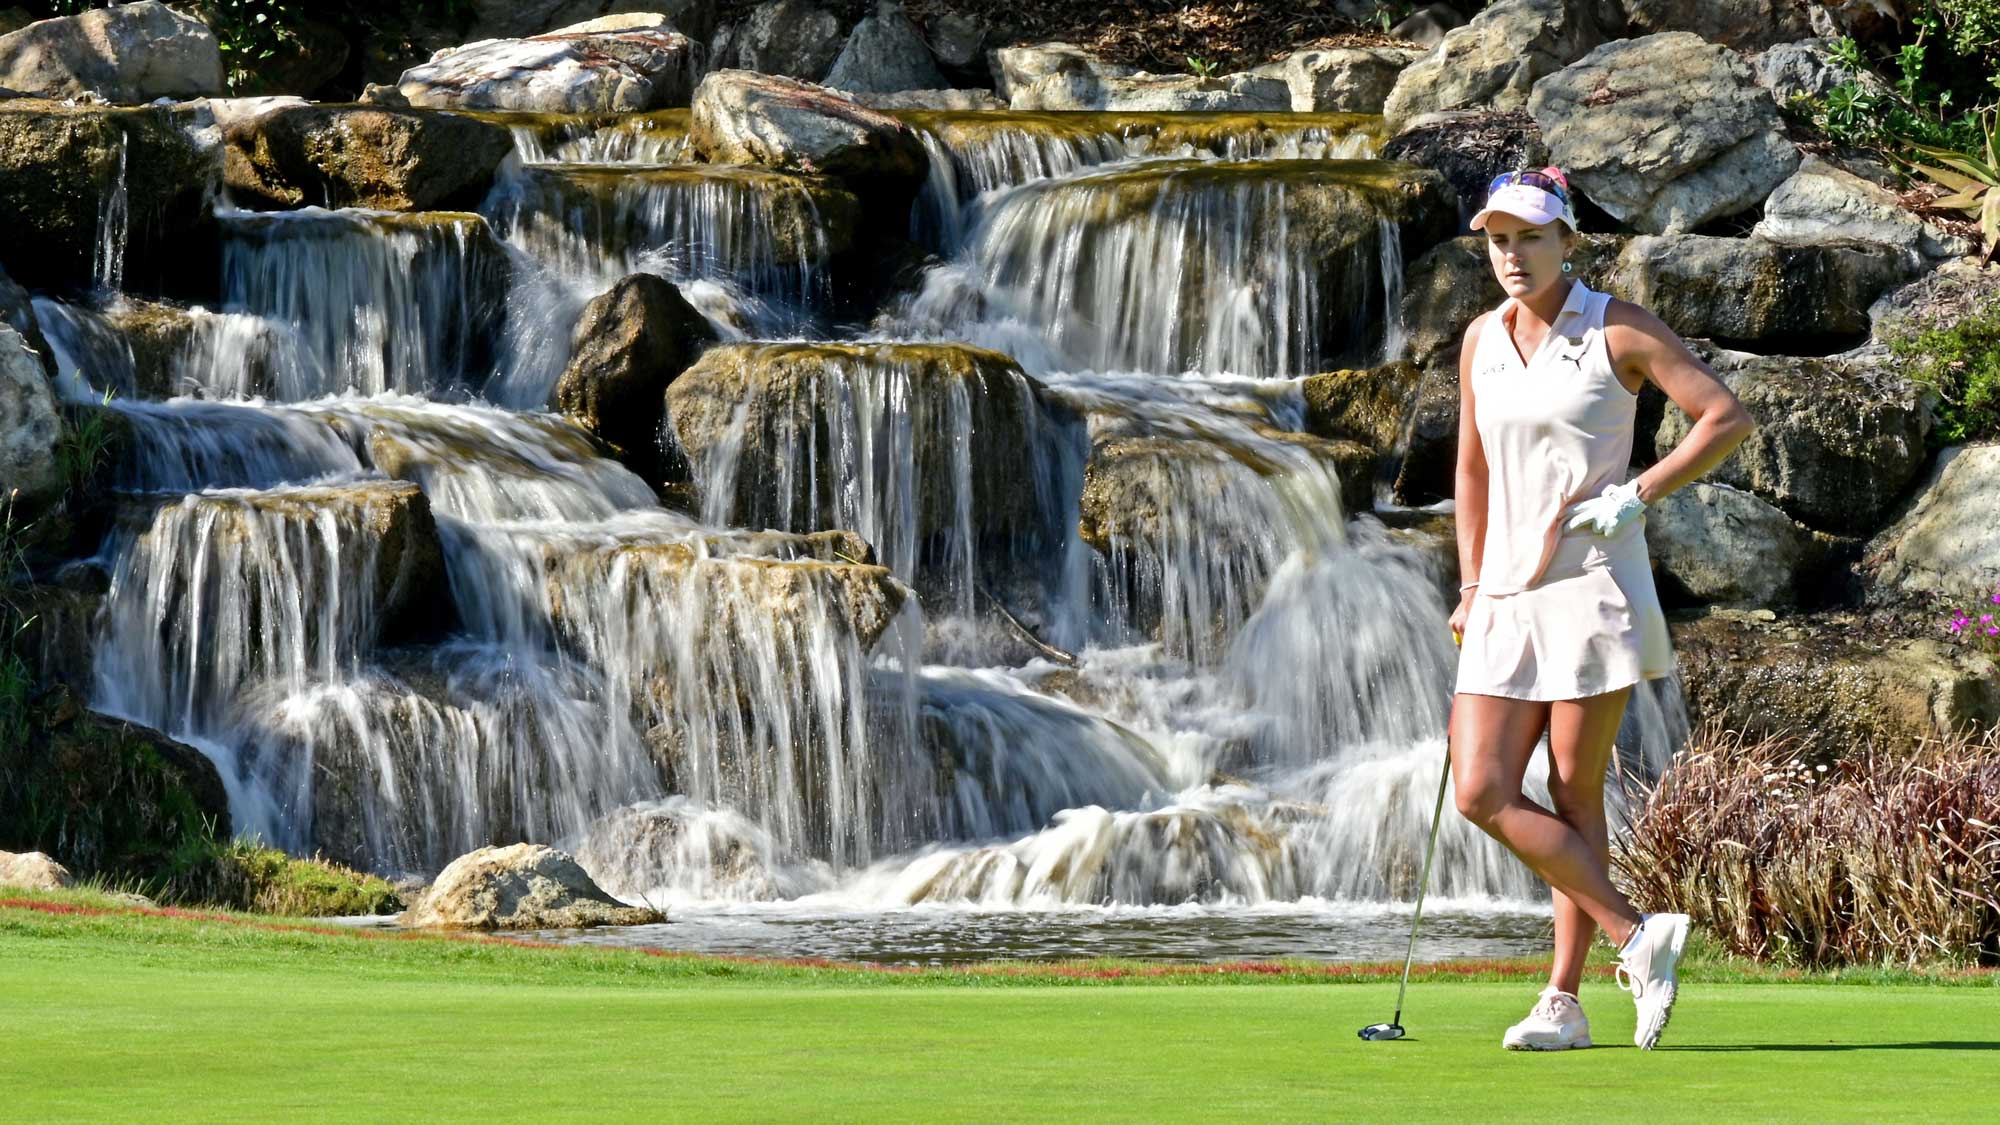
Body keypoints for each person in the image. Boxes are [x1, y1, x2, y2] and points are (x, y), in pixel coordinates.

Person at [1446, 167, 1755, 1051]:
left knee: (1574, 793)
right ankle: (1636, 935)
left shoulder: (1615, 326)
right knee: (1481, 788)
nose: (1512, 254)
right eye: (1499, 239)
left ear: (1566, 242)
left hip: (1591, 588)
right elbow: (1471, 470)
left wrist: (1640, 491)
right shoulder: (1481, 340)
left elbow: (1722, 416)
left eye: (1530, 237)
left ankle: (1562, 1000)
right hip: (1504, 593)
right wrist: (1470, 584)